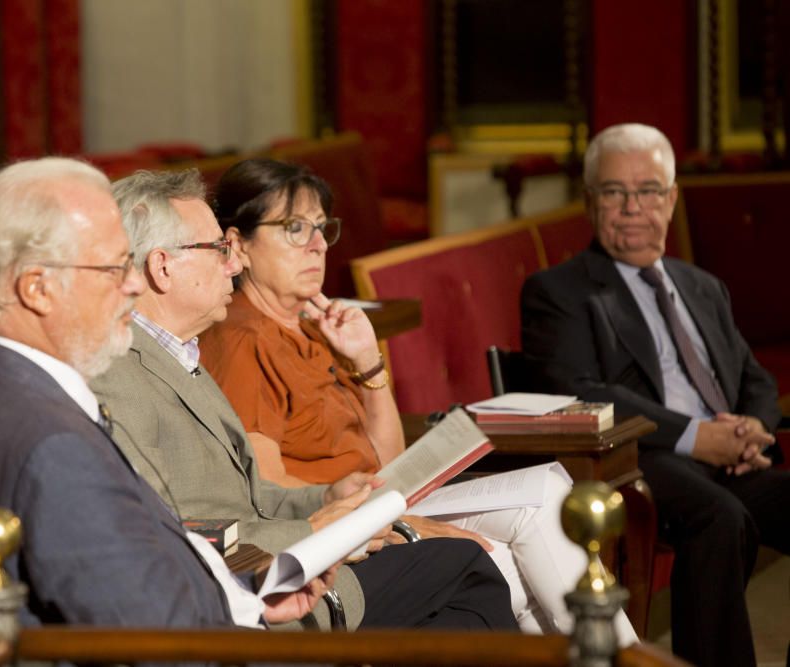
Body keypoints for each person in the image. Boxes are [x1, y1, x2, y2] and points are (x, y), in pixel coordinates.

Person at [198, 158, 637, 641]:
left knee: (551, 497)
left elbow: (386, 460)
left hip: (383, 502)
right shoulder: (242, 338)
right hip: (345, 528)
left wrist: (368, 362)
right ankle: (614, 653)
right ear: (238, 243)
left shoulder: (312, 325)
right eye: (295, 228)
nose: (319, 245)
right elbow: (267, 490)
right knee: (527, 539)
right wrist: (403, 525)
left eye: (323, 229)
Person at [0, 157, 334, 640]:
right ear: (37, 289)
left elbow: (136, 579)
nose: (133, 284)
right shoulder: (49, 441)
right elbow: (152, 637)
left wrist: (243, 595)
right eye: (112, 266)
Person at [91, 168, 520, 632]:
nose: (232, 265)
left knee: (457, 596)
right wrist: (316, 529)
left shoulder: (179, 350)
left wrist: (329, 497)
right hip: (251, 592)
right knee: (465, 567)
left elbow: (253, 496)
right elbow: (170, 534)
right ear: (162, 267)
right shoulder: (118, 374)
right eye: (219, 250)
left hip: (281, 560)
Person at [520, 122, 790, 667]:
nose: (632, 208)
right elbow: (578, 390)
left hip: (730, 455)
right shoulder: (560, 291)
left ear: (671, 200)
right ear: (591, 201)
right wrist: (697, 438)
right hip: (640, 458)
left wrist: (752, 429)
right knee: (722, 518)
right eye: (615, 192)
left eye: (648, 192)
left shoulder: (701, 286)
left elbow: (753, 375)